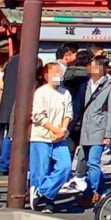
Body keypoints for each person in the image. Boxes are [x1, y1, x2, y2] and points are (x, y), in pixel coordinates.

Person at [26, 61, 75, 210]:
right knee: (41, 170)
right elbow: (38, 116)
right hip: (41, 136)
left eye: (60, 73)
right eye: (54, 73)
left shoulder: (65, 93)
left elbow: (68, 113)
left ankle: (42, 193)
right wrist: (54, 129)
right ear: (46, 75)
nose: (58, 76)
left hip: (59, 137)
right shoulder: (41, 92)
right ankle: (45, 200)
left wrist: (62, 129)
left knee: (65, 167)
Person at [77, 58, 111, 208]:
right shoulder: (86, 85)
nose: (91, 71)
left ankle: (91, 192)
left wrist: (109, 133)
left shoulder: (110, 87)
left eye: (95, 68)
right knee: (83, 161)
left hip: (99, 129)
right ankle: (101, 191)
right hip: (85, 128)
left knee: (93, 162)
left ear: (102, 70)